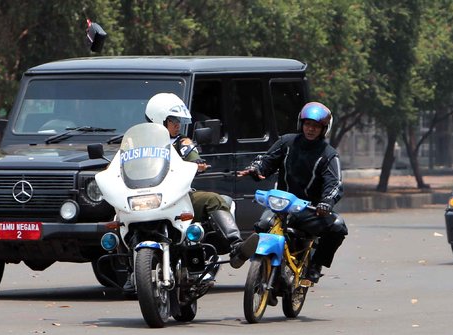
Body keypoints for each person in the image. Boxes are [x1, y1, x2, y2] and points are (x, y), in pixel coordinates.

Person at [125, 93, 259, 292]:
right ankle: (130, 269)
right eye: (173, 120)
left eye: (179, 121)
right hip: (144, 198)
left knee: (214, 199)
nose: (178, 125)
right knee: (118, 217)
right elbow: (120, 162)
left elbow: (193, 156)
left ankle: (235, 246)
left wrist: (197, 163)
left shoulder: (182, 142)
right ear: (158, 119)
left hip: (177, 199)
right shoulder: (135, 144)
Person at [238, 102, 347, 283]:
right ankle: (242, 253)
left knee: (338, 227)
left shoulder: (329, 155)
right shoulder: (286, 142)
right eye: (307, 124)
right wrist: (255, 169)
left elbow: (334, 184)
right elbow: (266, 162)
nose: (310, 129)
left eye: (316, 126)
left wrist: (326, 202)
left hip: (309, 210)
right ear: (301, 124)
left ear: (324, 129)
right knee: (263, 224)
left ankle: (315, 264)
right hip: (280, 205)